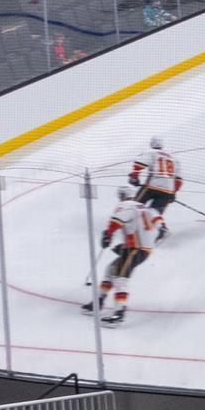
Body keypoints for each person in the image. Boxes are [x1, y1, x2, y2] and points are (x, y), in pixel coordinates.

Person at [84, 190, 155, 325]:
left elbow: (117, 220)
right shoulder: (142, 207)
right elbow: (146, 229)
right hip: (139, 248)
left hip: (136, 248)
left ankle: (119, 313)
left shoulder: (126, 205)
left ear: (122, 196)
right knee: (110, 269)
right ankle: (99, 301)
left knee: (121, 278)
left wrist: (108, 234)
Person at [128, 138, 182, 238]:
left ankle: (131, 227)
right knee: (155, 211)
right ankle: (161, 228)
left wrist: (134, 177)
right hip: (168, 191)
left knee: (136, 204)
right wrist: (174, 192)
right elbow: (179, 180)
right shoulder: (173, 158)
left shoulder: (151, 152)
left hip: (152, 186)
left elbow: (139, 164)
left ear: (151, 144)